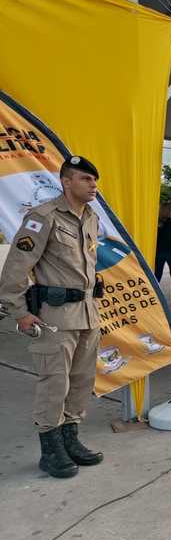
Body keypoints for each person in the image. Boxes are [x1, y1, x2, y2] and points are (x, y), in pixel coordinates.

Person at [0, 156, 104, 478]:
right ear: (67, 181)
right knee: (54, 382)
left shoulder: (91, 217)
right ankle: (50, 449)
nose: (93, 186)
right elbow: (16, 269)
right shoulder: (42, 218)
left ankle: (70, 439)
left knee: (81, 381)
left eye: (94, 180)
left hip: (87, 314)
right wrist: (20, 312)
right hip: (54, 317)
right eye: (86, 179)